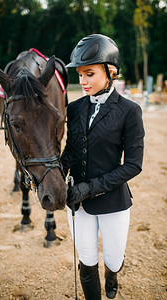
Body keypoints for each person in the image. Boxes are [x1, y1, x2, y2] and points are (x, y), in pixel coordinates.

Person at [61, 34, 145, 299]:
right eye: (80, 75)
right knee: (86, 260)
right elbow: (70, 151)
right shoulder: (74, 109)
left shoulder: (130, 111)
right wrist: (54, 174)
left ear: (110, 72)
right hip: (78, 203)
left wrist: (90, 188)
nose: (82, 81)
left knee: (113, 258)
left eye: (89, 74)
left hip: (113, 203)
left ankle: (112, 274)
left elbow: (133, 165)